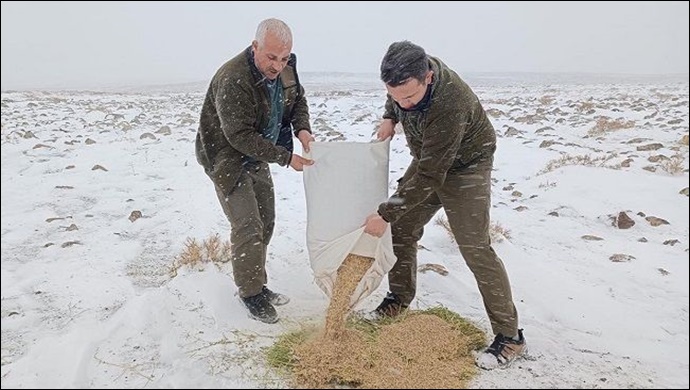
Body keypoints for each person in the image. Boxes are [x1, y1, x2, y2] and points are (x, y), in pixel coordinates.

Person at [362, 40, 526, 369]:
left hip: (466, 167)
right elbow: (397, 97)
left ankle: (510, 337)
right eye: (397, 97)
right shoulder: (403, 73)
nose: (404, 104)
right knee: (402, 228)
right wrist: (389, 116)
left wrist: (385, 213)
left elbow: (430, 175)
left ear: (429, 78)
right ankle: (399, 298)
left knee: (474, 247)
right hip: (429, 160)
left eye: (409, 97)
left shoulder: (451, 103)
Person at [195, 18, 314, 324]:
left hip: (258, 156)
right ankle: (250, 294)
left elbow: (297, 100)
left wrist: (302, 130)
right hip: (227, 159)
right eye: (271, 57)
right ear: (255, 46)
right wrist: (287, 158)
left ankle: (258, 284)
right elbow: (239, 136)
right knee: (248, 225)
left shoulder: (285, 69)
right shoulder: (233, 78)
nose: (277, 65)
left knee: (267, 221)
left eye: (284, 58)